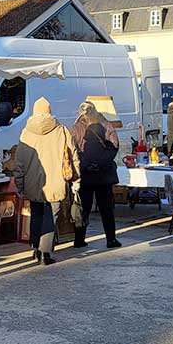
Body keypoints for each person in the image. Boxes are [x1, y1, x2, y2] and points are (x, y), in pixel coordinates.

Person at [13, 98, 78, 266]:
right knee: (51, 216)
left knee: (36, 214)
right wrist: (76, 178)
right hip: (56, 181)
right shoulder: (62, 131)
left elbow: (19, 163)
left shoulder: (26, 133)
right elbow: (73, 157)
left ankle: (36, 247)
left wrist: (19, 185)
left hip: (33, 182)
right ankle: (45, 252)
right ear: (50, 111)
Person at [72, 103, 121, 249]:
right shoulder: (105, 124)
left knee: (83, 208)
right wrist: (103, 161)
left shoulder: (76, 127)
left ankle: (79, 239)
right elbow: (114, 145)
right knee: (106, 209)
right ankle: (111, 239)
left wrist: (83, 163)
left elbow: (72, 148)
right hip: (103, 174)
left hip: (85, 173)